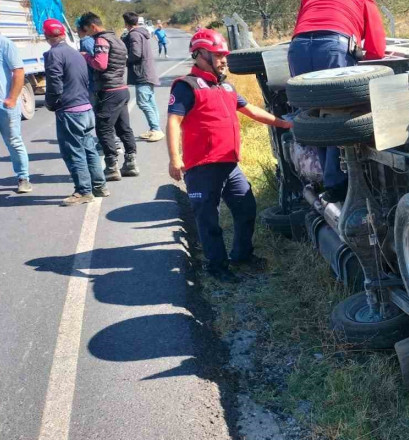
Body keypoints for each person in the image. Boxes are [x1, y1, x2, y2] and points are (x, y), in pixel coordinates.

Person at [166, 29, 292, 282]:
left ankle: (242, 255)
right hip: (202, 167)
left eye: (224, 55)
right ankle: (216, 266)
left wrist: (287, 124)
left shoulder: (226, 87)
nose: (224, 60)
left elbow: (253, 111)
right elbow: (173, 121)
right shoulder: (186, 86)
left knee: (246, 208)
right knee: (208, 220)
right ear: (200, 55)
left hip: (229, 164)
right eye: (218, 55)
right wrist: (174, 158)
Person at [287, 0, 387, 203]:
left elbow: (304, 25)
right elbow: (377, 50)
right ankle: (338, 184)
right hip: (333, 47)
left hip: (298, 48)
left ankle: (325, 177)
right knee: (338, 112)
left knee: (311, 114)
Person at [42, 19, 109, 206]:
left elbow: (54, 84)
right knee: (89, 149)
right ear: (63, 33)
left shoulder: (53, 54)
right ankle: (99, 186)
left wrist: (50, 103)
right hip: (86, 108)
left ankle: (83, 191)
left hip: (70, 110)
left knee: (74, 152)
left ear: (47, 36)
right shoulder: (75, 52)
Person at [77, 12, 139, 182]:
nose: (86, 33)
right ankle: (131, 162)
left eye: (86, 29)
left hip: (109, 90)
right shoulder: (117, 38)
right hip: (121, 88)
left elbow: (100, 63)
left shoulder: (101, 40)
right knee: (123, 127)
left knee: (104, 128)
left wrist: (86, 56)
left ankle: (111, 167)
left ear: (92, 26)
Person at [0, 31, 31, 197]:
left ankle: (23, 178)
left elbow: (18, 70)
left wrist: (12, 98)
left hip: (3, 104)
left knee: (14, 142)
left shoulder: (2, 43)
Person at [123, 12, 164, 142]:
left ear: (126, 23)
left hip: (142, 74)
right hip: (147, 73)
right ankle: (155, 129)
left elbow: (136, 54)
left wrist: (125, 60)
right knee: (150, 102)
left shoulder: (134, 34)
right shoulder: (142, 33)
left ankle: (156, 129)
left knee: (143, 103)